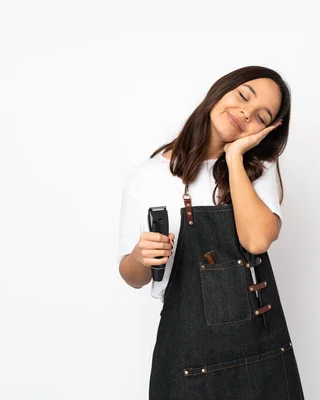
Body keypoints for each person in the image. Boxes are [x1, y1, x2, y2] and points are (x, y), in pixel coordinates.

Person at [116, 65, 304, 399]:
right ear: (220, 91)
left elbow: (257, 240)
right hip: (187, 353)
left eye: (261, 117)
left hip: (260, 349)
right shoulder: (147, 176)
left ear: (266, 131)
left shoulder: (257, 171)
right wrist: (139, 256)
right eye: (243, 95)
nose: (246, 112)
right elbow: (133, 277)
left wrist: (233, 159)